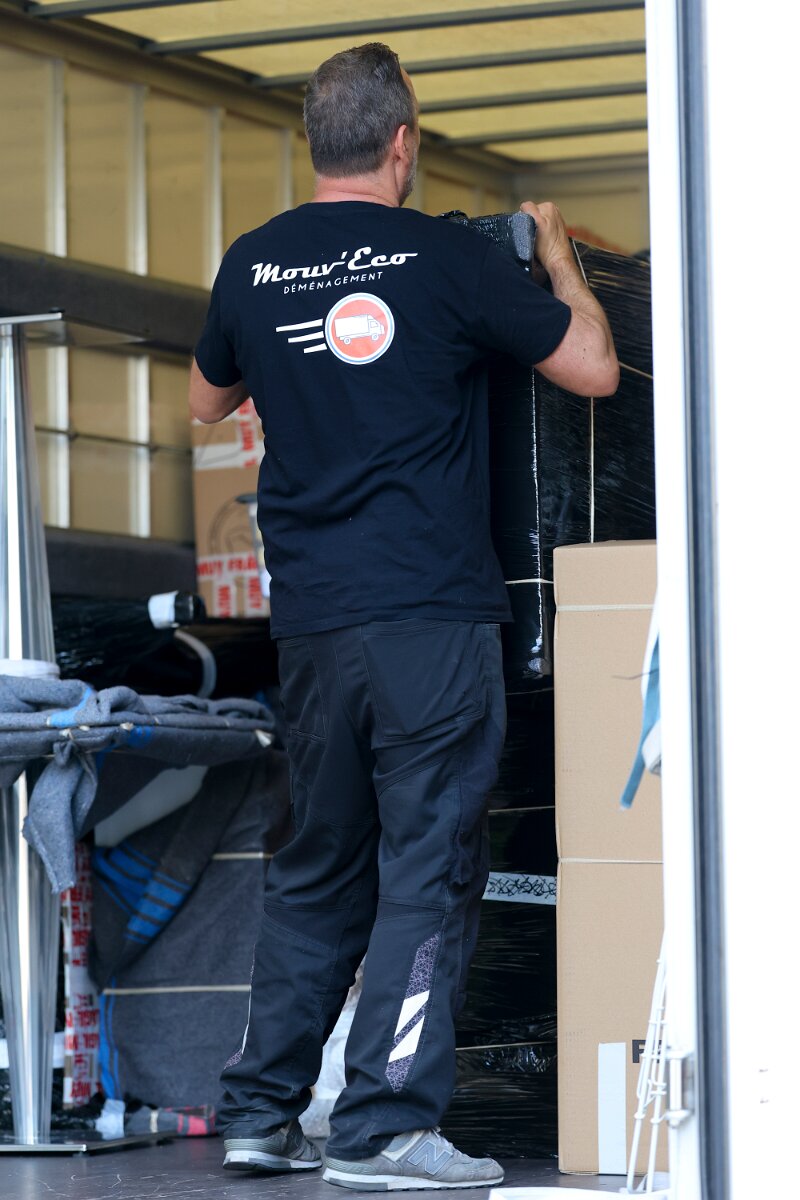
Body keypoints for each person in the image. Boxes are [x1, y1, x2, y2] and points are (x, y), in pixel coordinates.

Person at [189, 42, 618, 1192]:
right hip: (429, 619)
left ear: (313, 142)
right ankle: (381, 1128)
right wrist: (558, 259)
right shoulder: (444, 257)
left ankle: (260, 1115)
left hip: (313, 626)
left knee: (317, 867)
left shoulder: (252, 262)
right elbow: (590, 368)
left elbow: (202, 402)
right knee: (427, 864)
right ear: (401, 142)